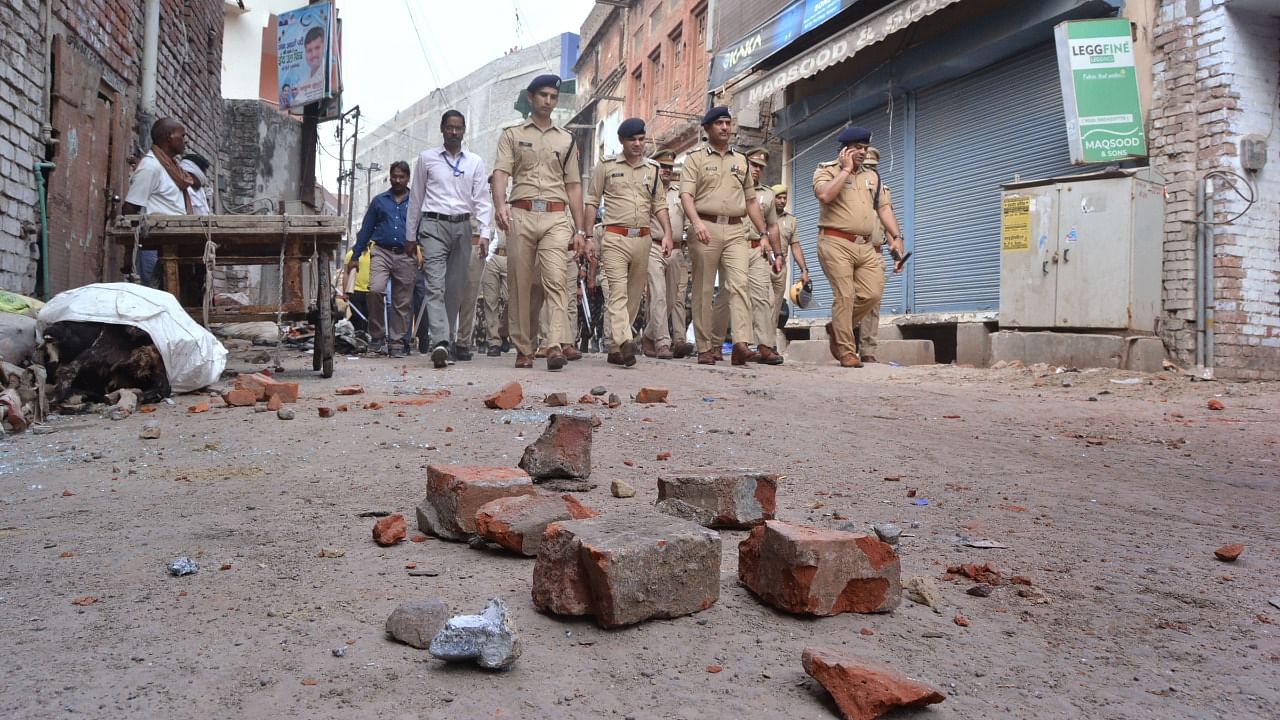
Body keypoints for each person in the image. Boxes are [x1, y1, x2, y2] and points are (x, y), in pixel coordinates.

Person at [491, 74, 588, 371]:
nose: (548, 100)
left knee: (556, 278)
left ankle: (554, 343)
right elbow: (501, 173)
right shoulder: (511, 134)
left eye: (553, 97)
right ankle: (524, 347)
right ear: (531, 98)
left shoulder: (567, 139)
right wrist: (499, 205)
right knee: (520, 283)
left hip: (556, 218)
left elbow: (573, 185)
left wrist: (581, 229)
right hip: (520, 213)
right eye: (543, 95)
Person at [679, 106, 769, 366]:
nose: (725, 128)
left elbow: (751, 201)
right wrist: (696, 223)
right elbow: (686, 195)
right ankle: (705, 347)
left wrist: (762, 233)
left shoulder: (741, 161)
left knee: (739, 284)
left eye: (728, 123)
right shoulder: (695, 159)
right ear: (708, 128)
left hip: (735, 229)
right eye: (719, 123)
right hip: (705, 228)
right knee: (704, 289)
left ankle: (741, 343)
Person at [810, 127, 906, 368]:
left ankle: (837, 327)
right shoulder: (825, 171)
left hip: (865, 246)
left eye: (865, 148)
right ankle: (846, 351)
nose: (863, 152)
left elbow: (884, 208)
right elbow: (825, 196)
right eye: (859, 148)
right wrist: (845, 170)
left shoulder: (872, 177)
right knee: (845, 295)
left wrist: (896, 237)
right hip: (835, 242)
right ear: (845, 149)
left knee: (873, 294)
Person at [406, 110, 493, 368]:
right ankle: (440, 342)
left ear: (464, 131)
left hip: (463, 227)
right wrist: (411, 235)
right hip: (433, 225)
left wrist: (485, 233)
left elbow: (482, 200)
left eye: (458, 128)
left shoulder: (475, 162)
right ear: (442, 130)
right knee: (435, 285)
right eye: (449, 127)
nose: (454, 132)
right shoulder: (427, 159)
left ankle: (449, 340)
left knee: (455, 289)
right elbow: (416, 198)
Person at [585, 118, 673, 367]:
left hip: (643, 239)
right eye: (632, 139)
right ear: (622, 141)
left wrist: (667, 233)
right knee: (618, 291)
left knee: (634, 295)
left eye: (641, 139)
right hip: (614, 237)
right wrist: (589, 236)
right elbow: (592, 200)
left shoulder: (653, 170)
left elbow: (660, 205)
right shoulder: (606, 166)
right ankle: (625, 340)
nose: (638, 144)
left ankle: (615, 348)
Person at [711, 147, 782, 364]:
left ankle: (765, 346)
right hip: (733, 246)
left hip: (756, 249)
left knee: (763, 297)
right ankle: (715, 344)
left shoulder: (768, 194)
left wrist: (777, 253)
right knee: (726, 294)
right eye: (753, 165)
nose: (756, 170)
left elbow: (773, 226)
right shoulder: (732, 187)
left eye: (760, 167)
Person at [348, 160, 416, 358]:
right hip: (381, 252)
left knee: (402, 300)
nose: (397, 180)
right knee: (375, 289)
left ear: (407, 178)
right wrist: (356, 255)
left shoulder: (416, 201)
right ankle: (377, 337)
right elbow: (366, 229)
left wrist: (423, 252)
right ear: (390, 176)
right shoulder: (379, 201)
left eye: (401, 177)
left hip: (406, 253)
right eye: (394, 176)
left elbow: (422, 228)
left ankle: (396, 341)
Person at [122, 117, 193, 288]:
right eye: (182, 136)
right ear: (169, 137)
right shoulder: (150, 167)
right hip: (154, 244)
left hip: (175, 242)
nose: (185, 141)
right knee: (154, 294)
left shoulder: (172, 168)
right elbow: (130, 207)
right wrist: (129, 250)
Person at [640, 148, 689, 360]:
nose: (666, 171)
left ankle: (648, 336)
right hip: (653, 247)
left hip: (677, 250)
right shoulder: (647, 192)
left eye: (670, 167)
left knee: (671, 298)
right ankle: (663, 342)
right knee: (658, 294)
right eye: (662, 167)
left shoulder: (680, 193)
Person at [855, 146, 886, 363]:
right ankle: (844, 344)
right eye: (867, 166)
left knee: (874, 303)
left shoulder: (884, 191)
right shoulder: (851, 189)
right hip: (853, 250)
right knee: (848, 299)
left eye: (874, 167)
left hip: (876, 253)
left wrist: (895, 246)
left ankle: (867, 350)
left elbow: (888, 221)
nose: (871, 171)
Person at [771, 184, 809, 340]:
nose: (782, 201)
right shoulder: (762, 217)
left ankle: (769, 344)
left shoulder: (791, 220)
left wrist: (804, 270)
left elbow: (796, 246)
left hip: (781, 268)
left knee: (776, 306)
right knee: (765, 302)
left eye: (784, 198)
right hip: (762, 264)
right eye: (779, 198)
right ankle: (756, 342)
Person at [453, 218, 488, 361]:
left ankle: (463, 342)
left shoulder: (487, 195)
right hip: (451, 239)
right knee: (448, 294)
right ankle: (445, 339)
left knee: (470, 297)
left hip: (475, 243)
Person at [480, 229, 510, 356]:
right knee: (490, 300)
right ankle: (494, 342)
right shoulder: (489, 209)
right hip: (490, 257)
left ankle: (502, 331)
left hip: (510, 256)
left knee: (512, 300)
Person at [341, 245, 372, 335]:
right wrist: (345, 292)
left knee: (367, 317)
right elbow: (346, 273)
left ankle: (365, 337)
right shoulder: (351, 254)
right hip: (355, 290)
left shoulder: (373, 255)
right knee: (358, 316)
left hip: (368, 291)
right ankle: (357, 335)